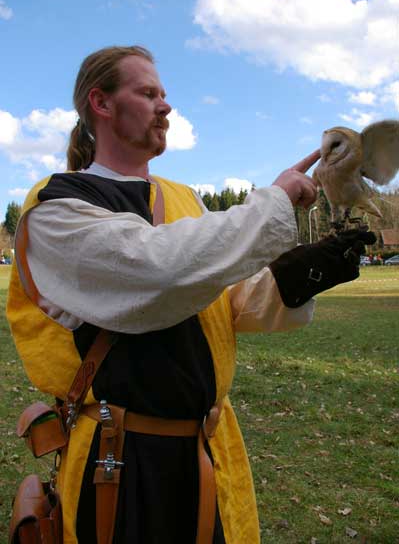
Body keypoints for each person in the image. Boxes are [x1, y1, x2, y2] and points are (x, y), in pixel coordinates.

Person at [7, 45, 375, 544]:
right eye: (148, 92)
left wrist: (311, 268)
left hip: (205, 449)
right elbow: (155, 273)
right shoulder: (56, 205)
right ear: (101, 102)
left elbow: (229, 300)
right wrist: (274, 203)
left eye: (164, 94)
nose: (166, 105)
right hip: (120, 460)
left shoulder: (185, 198)